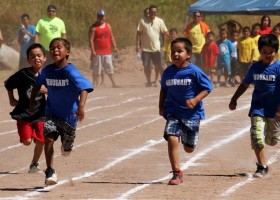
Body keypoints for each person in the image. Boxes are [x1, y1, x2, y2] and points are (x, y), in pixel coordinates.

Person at [30, 38, 93, 185]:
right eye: (52, 48)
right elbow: (37, 85)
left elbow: (84, 89)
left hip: (69, 117)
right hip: (51, 113)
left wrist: (81, 107)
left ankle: (67, 144)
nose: (55, 50)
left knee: (66, 149)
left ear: (68, 52)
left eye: (59, 47)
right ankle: (50, 171)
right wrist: (32, 102)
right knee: (49, 138)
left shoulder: (70, 71)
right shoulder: (47, 71)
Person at [159, 37, 213, 185]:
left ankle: (187, 139)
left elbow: (207, 87)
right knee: (171, 137)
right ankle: (177, 173)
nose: (175, 54)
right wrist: (161, 106)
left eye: (179, 51)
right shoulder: (167, 72)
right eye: (173, 52)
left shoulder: (194, 71)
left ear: (188, 54)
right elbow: (163, 90)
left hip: (191, 114)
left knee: (189, 148)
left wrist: (195, 100)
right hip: (173, 112)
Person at [229, 34, 280, 178]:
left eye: (270, 51)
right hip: (258, 108)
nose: (267, 54)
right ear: (259, 51)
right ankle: (262, 166)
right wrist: (234, 99)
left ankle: (270, 141)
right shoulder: (255, 67)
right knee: (257, 136)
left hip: (274, 111)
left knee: (272, 141)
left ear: (275, 51)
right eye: (264, 51)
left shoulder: (278, 68)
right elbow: (245, 83)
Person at [4, 43, 47, 173]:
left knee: (41, 141)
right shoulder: (23, 74)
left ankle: (34, 163)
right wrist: (11, 99)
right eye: (32, 57)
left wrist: (47, 91)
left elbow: (57, 91)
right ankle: (30, 135)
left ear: (45, 57)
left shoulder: (48, 75)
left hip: (41, 114)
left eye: (39, 56)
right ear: (28, 60)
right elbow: (8, 84)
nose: (36, 59)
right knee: (27, 141)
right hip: (24, 114)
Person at [136, 4, 169, 87]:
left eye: (155, 12)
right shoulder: (142, 21)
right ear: (149, 12)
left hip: (157, 48)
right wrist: (137, 45)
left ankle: (158, 80)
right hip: (145, 48)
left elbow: (165, 31)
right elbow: (138, 33)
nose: (153, 13)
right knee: (147, 66)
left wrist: (170, 38)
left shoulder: (160, 21)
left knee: (159, 65)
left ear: (156, 13)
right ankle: (148, 81)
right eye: (151, 12)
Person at [89, 9, 118, 88]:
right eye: (99, 16)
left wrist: (115, 47)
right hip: (97, 52)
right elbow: (91, 40)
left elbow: (111, 37)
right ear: (97, 17)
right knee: (96, 69)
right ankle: (96, 84)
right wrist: (93, 50)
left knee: (109, 68)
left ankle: (113, 83)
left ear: (104, 17)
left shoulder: (108, 26)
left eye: (102, 16)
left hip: (107, 51)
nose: (101, 18)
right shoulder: (94, 28)